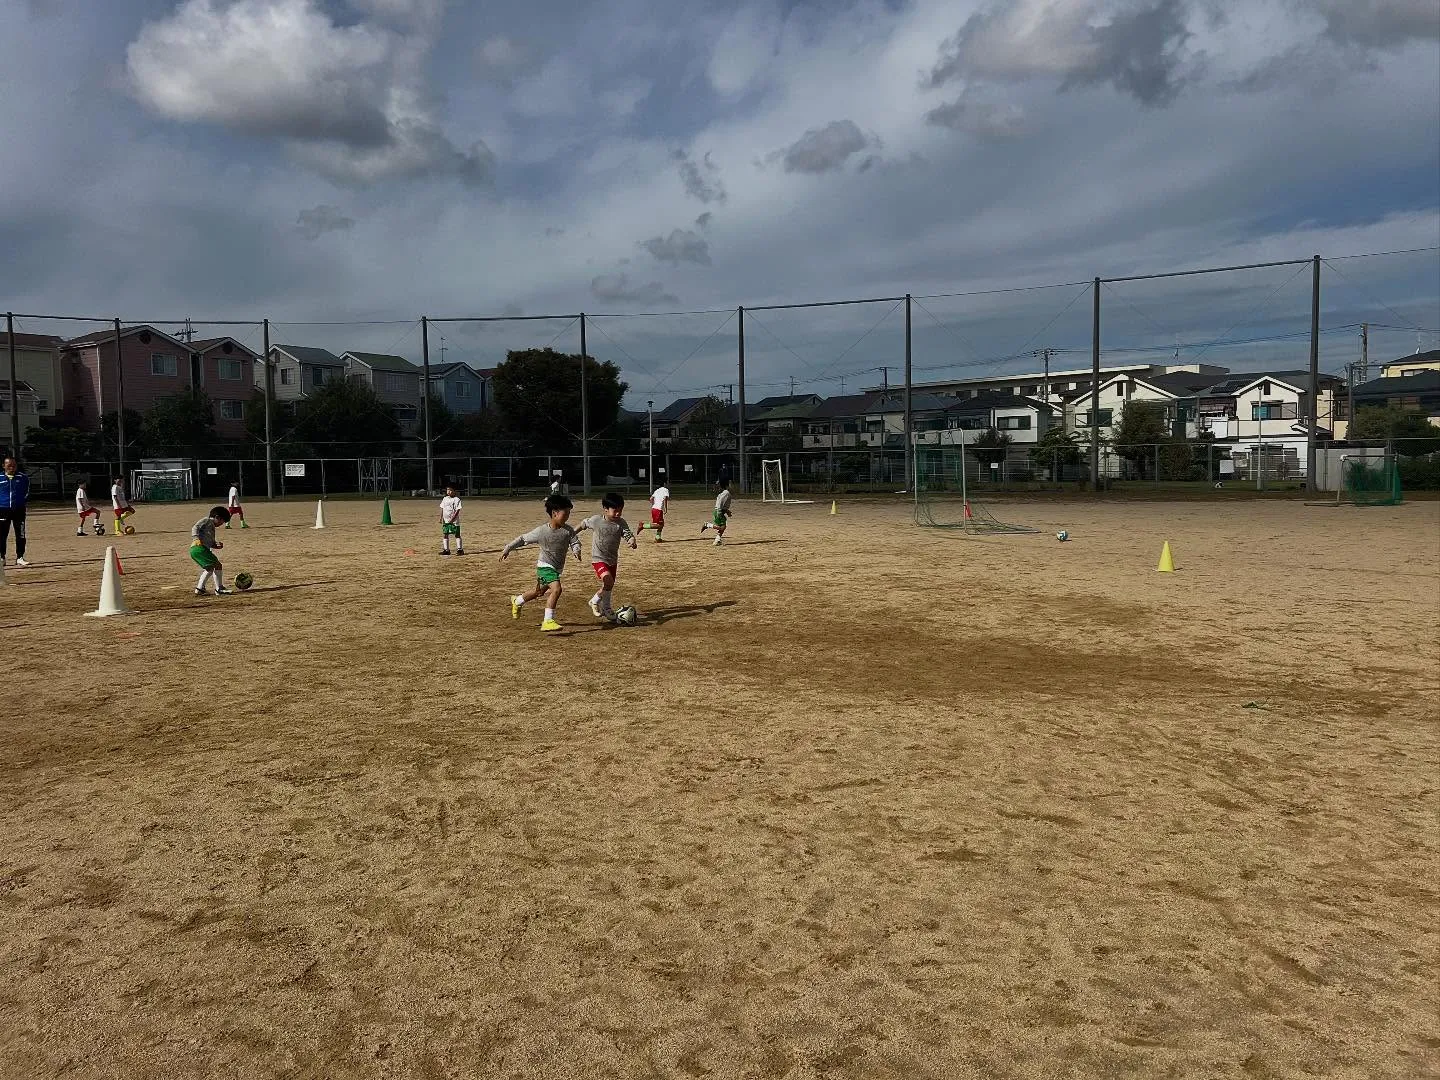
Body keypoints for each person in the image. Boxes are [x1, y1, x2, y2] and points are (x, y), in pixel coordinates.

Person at [500, 492, 581, 632]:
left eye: (569, 513)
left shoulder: (568, 530)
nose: (568, 516)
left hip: (556, 568)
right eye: (565, 513)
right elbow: (523, 539)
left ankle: (517, 601)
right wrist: (508, 548)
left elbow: (575, 542)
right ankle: (548, 621)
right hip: (545, 566)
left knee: (539, 592)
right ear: (554, 513)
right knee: (556, 589)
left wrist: (576, 550)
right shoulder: (542, 531)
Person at [573, 492, 637, 621]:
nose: (618, 514)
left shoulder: (621, 522)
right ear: (605, 509)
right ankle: (597, 602)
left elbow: (627, 534)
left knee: (609, 586)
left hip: (612, 560)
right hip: (598, 558)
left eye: (620, 510)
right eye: (615, 511)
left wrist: (632, 541)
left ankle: (604, 607)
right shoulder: (596, 520)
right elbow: (583, 524)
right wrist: (571, 534)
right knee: (608, 580)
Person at [191, 505, 232, 596]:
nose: (221, 524)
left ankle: (200, 589)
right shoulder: (207, 520)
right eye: (222, 521)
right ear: (217, 517)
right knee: (217, 565)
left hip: (197, 550)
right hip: (199, 548)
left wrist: (215, 545)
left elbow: (209, 541)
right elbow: (195, 527)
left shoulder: (211, 527)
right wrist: (196, 538)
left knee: (210, 568)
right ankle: (219, 588)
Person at [0, 456, 30, 567]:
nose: (11, 468)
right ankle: (2, 557)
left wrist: (20, 502)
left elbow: (26, 492)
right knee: (2, 534)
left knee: (20, 534)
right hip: (2, 510)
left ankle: (20, 557)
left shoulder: (23, 478)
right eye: (9, 465)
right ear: (4, 466)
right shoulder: (0, 477)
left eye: (14, 465)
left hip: (19, 510)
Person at [700, 479, 734, 546]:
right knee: (722, 527)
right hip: (719, 512)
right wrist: (719, 511)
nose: (732, 486)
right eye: (731, 484)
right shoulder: (726, 493)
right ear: (726, 486)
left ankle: (717, 540)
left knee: (723, 526)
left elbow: (723, 505)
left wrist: (727, 511)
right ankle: (707, 525)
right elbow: (720, 502)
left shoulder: (725, 493)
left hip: (719, 511)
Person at [439, 485, 465, 556]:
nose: (448, 491)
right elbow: (442, 508)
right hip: (446, 520)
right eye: (447, 490)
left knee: (457, 534)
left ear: (454, 491)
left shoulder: (457, 499)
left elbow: (457, 510)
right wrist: (441, 517)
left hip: (454, 521)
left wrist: (453, 519)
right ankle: (446, 550)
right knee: (445, 534)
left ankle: (460, 549)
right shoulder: (445, 499)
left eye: (450, 490)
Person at [642, 477, 671, 542]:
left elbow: (651, 499)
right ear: (664, 483)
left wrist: (654, 505)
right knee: (659, 525)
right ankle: (643, 526)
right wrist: (665, 508)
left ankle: (658, 538)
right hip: (658, 510)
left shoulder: (657, 490)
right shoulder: (665, 490)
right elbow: (665, 499)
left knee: (660, 524)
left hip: (654, 509)